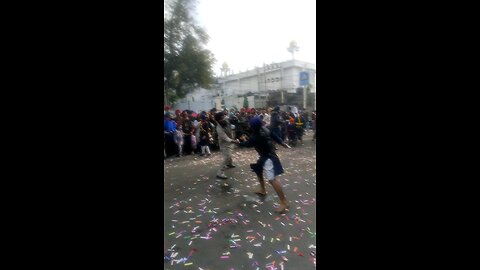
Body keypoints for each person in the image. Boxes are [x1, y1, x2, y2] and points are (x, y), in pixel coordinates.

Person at [238, 117, 291, 213]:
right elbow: (275, 136)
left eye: (250, 125)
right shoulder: (266, 129)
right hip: (266, 156)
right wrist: (282, 143)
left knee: (272, 179)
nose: (249, 126)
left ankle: (284, 202)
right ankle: (262, 190)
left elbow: (247, 144)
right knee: (258, 170)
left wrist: (239, 142)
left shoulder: (255, 136)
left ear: (253, 127)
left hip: (268, 158)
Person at [215, 112, 238, 179]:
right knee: (226, 157)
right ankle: (220, 173)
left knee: (229, 154)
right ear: (218, 120)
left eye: (224, 117)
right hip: (224, 144)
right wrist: (234, 141)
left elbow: (231, 119)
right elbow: (225, 138)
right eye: (222, 118)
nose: (224, 119)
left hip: (230, 140)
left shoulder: (225, 121)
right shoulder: (218, 128)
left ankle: (230, 164)